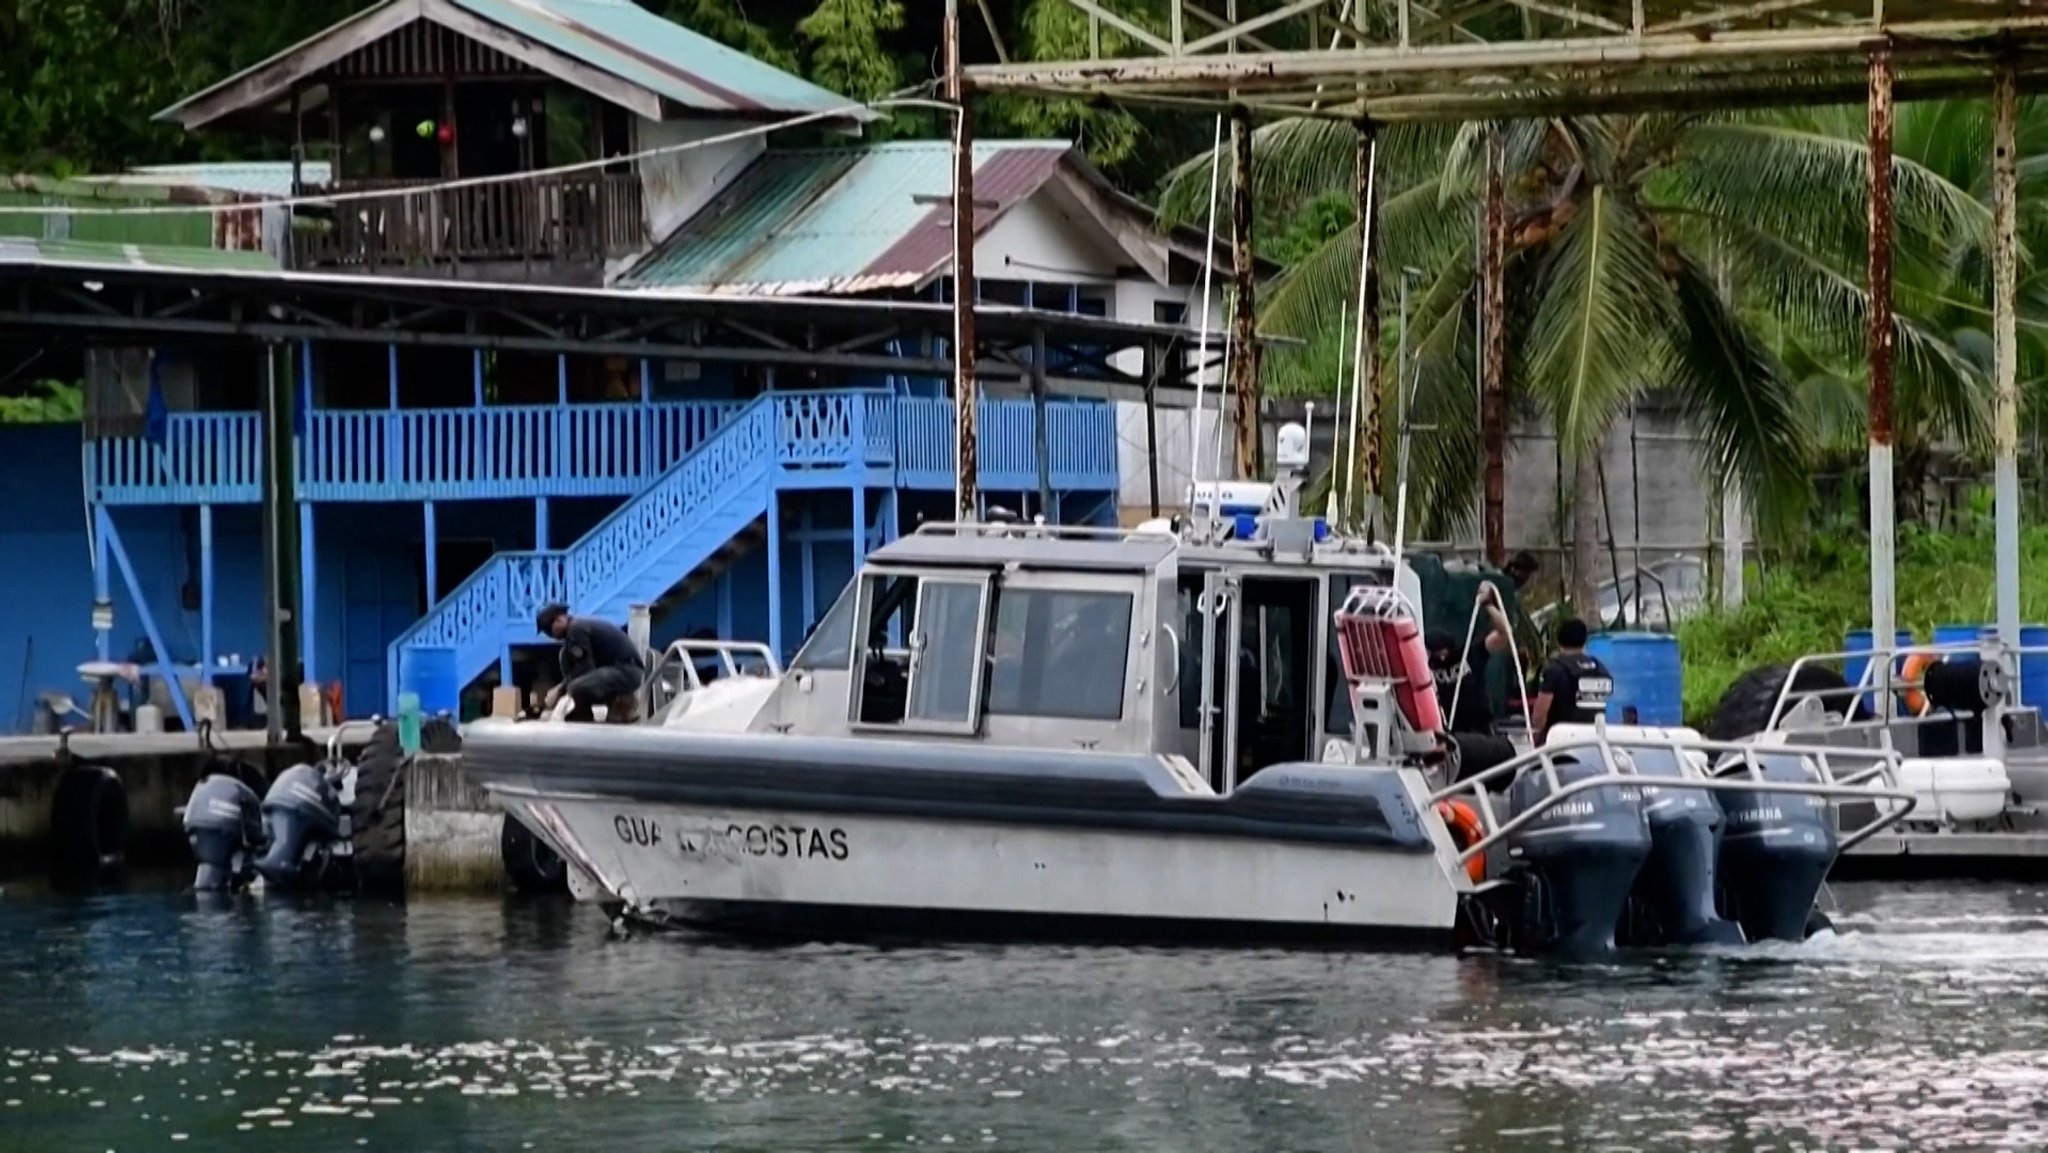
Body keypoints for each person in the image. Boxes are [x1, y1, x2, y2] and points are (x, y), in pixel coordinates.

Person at [536, 603, 646, 722]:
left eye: (549, 630)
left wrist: (559, 689)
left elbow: (584, 669)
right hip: (613, 669)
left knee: (576, 687)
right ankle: (583, 711)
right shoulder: (576, 630)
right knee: (565, 656)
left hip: (627, 671)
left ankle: (621, 704)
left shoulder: (576, 628)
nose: (551, 636)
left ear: (560, 619)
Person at [1427, 583, 1512, 734]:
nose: (1441, 657)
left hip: (1480, 727)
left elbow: (1504, 633)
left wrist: (1488, 605)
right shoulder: (1428, 664)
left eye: (1443, 652)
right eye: (1436, 653)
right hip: (1450, 729)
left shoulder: (1470, 653)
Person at [1532, 618, 1613, 746]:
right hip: (1594, 740)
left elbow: (1540, 713)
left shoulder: (1555, 669)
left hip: (1560, 740)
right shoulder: (1600, 668)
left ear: (1559, 640)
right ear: (1585, 640)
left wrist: (1535, 737)